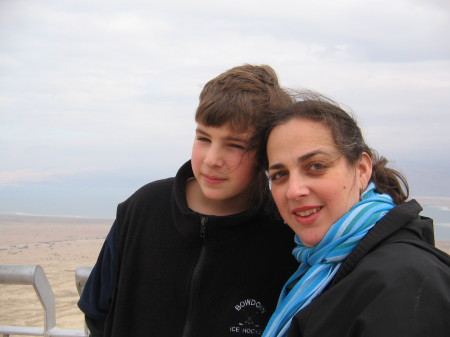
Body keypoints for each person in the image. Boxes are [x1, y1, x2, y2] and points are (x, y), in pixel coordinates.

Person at [78, 64, 298, 337]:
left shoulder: (284, 231)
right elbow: (97, 310)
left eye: (235, 145)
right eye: (204, 138)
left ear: (266, 153)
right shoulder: (143, 209)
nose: (211, 160)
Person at [257, 95, 450, 337]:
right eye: (279, 175)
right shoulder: (317, 269)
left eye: (316, 166)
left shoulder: (404, 281)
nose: (294, 191)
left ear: (361, 170)